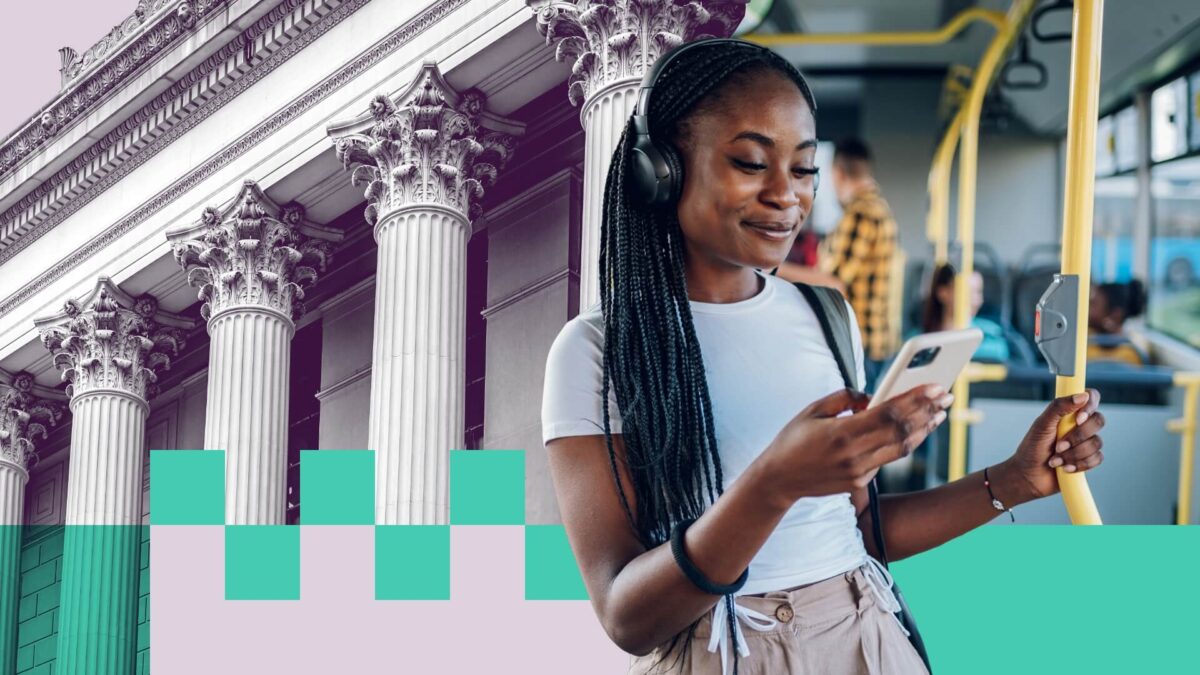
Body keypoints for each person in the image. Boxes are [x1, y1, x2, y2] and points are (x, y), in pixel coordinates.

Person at [540, 38, 1106, 675]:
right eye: (751, 162)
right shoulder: (594, 352)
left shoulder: (825, 316)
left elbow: (857, 534)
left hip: (865, 631)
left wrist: (1012, 481)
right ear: (661, 170)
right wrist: (773, 485)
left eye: (805, 169)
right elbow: (627, 619)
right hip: (721, 649)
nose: (787, 195)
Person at [819, 138, 900, 379]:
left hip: (862, 342)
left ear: (838, 173)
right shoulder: (880, 208)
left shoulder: (861, 213)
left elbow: (832, 282)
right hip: (877, 341)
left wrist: (775, 270)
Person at [917, 263, 1010, 363]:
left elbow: (1001, 352)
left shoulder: (992, 334)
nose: (976, 300)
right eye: (967, 292)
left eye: (978, 292)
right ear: (943, 292)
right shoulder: (918, 341)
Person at [1087, 280, 1149, 366]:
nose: (1086, 309)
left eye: (1093, 304)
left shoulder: (1132, 355)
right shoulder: (1084, 337)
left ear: (1115, 316)